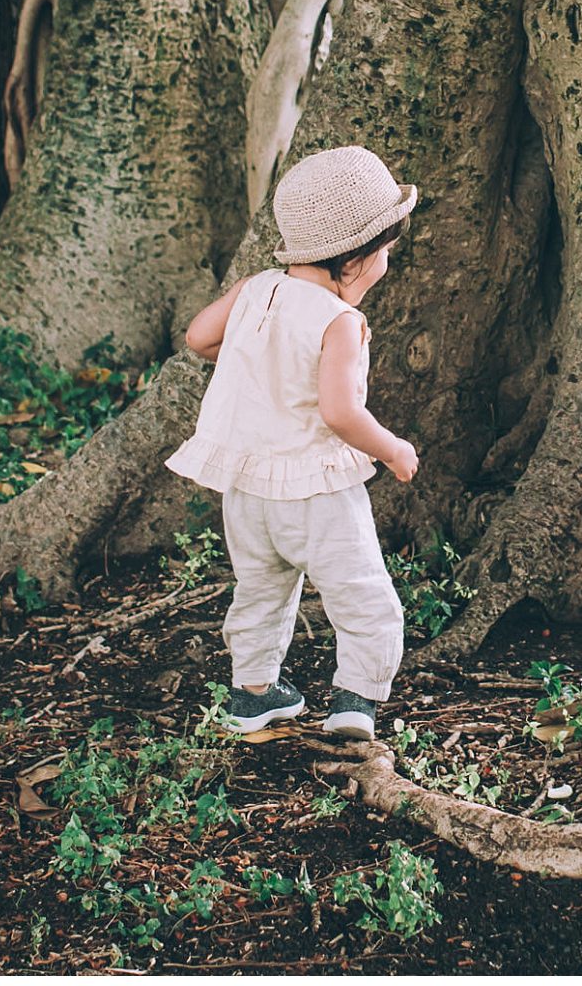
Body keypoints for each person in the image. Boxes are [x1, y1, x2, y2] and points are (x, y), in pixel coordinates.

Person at [166, 146, 419, 739]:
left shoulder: (259, 288)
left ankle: (253, 694)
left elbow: (199, 337)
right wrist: (392, 449)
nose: (387, 263)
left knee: (259, 590)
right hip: (317, 494)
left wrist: (260, 363)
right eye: (384, 252)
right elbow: (339, 411)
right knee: (361, 595)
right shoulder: (340, 321)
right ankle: (355, 701)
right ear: (355, 257)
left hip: (248, 490)